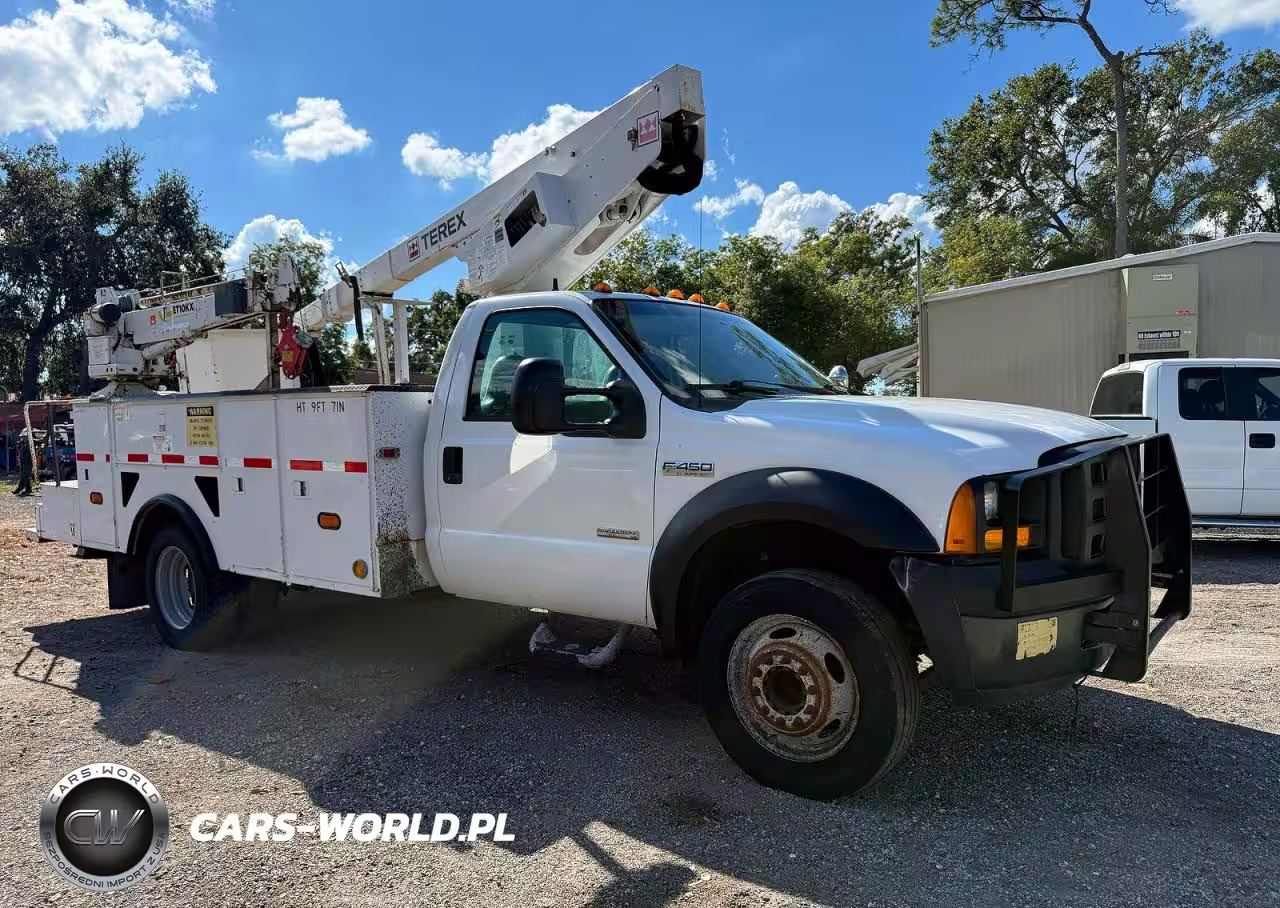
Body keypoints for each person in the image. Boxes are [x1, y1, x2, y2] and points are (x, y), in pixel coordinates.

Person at [13, 429, 33, 496]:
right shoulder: (23, 443)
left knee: (25, 476)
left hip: (28, 462)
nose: (22, 438)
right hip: (23, 462)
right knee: (24, 476)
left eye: (24, 437)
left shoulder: (30, 444)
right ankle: (28, 489)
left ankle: (19, 488)